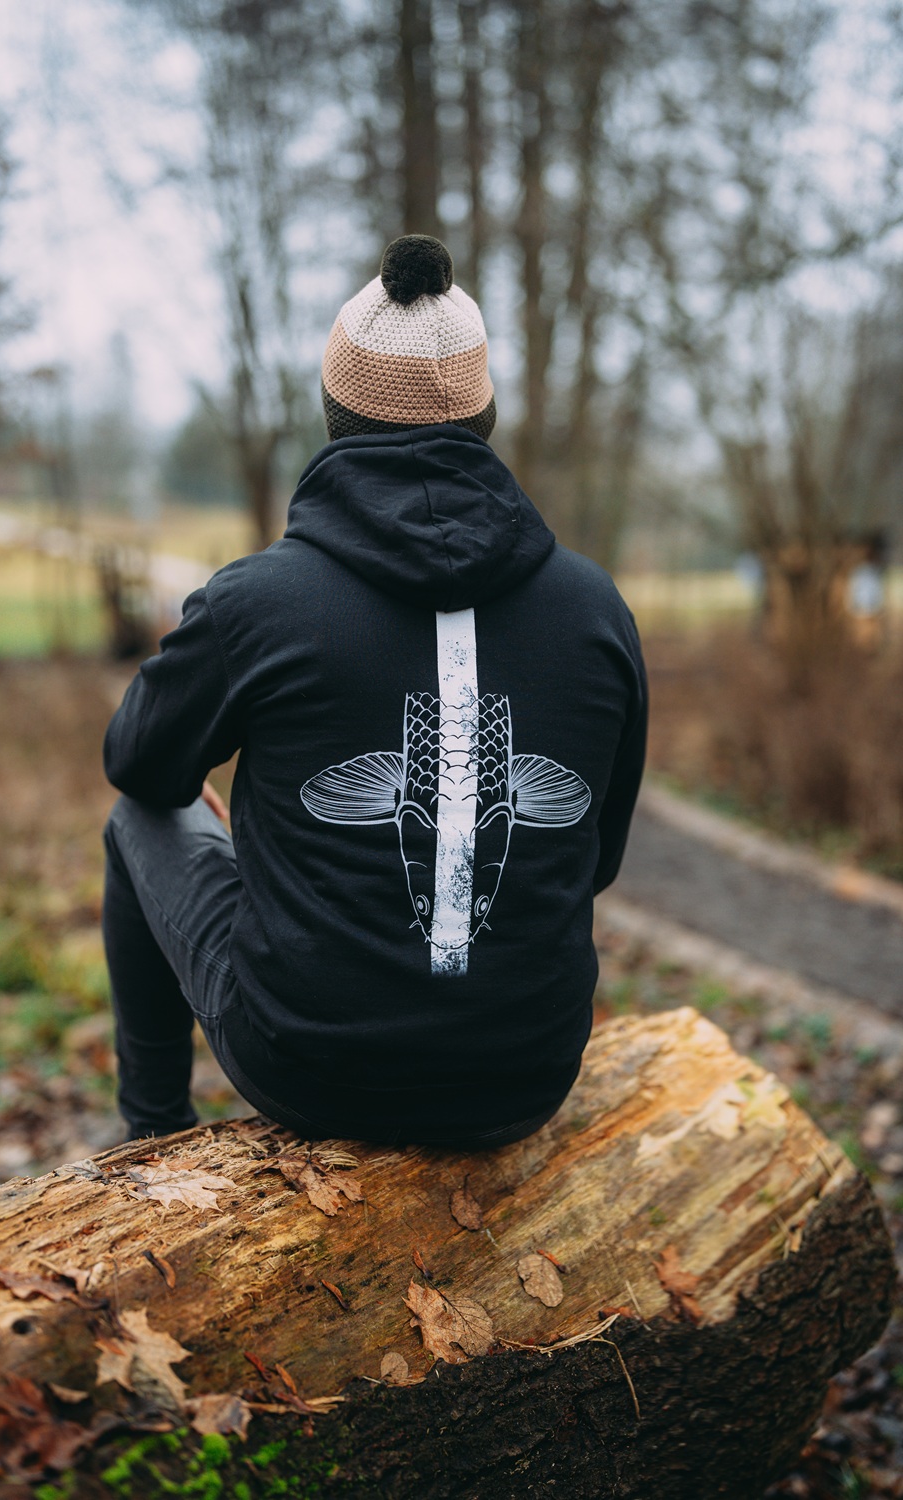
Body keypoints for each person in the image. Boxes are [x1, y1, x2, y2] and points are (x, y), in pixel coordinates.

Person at [102, 234, 647, 1148]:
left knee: (138, 819)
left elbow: (138, 766)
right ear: (485, 416)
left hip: (309, 1069)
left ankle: (151, 1130)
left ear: (335, 414)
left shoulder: (257, 603)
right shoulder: (596, 610)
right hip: (526, 1076)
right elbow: (595, 857)